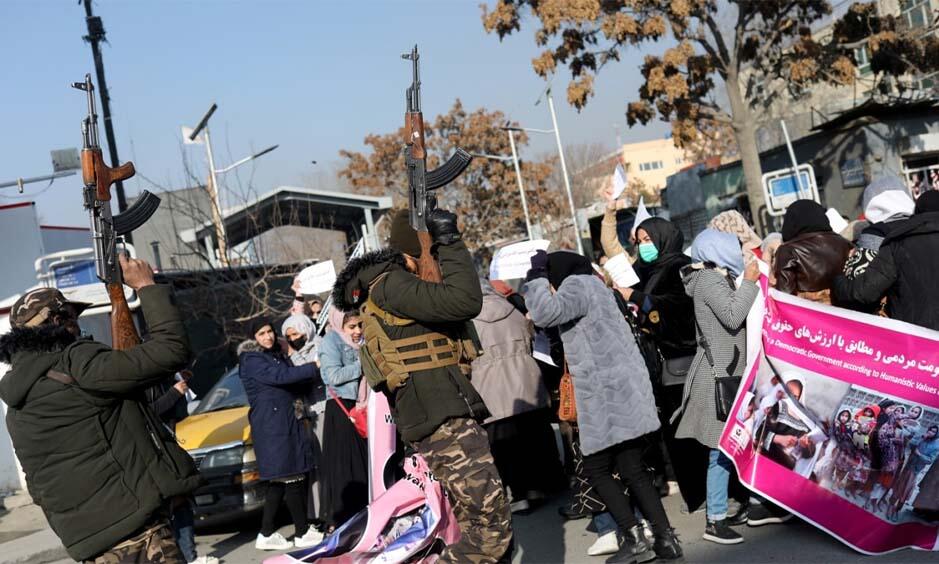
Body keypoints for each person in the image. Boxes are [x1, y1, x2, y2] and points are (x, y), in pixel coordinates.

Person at [331, 208, 512, 563]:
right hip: (441, 416)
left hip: (442, 411)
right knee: (490, 529)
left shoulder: (388, 284)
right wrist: (450, 243)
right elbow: (465, 301)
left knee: (479, 525)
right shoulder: (392, 284)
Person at [0, 255, 200, 563]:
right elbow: (171, 350)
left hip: (91, 545)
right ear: (57, 322)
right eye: (72, 318)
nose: (77, 327)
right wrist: (147, 286)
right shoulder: (77, 363)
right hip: (138, 535)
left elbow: (38, 487)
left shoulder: (16, 404)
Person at [525, 250, 682, 564]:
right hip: (627, 392)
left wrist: (536, 277)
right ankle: (666, 540)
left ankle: (635, 538)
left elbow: (543, 313)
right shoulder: (598, 287)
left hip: (605, 397)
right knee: (633, 470)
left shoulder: (577, 286)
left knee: (597, 468)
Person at [674, 229, 760, 545]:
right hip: (717, 378)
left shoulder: (713, 278)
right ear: (717, 251)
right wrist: (750, 280)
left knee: (733, 446)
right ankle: (716, 520)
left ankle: (752, 504)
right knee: (720, 450)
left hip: (725, 374)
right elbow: (733, 316)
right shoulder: (710, 279)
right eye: (733, 247)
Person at [471, 278, 562, 514]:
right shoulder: (512, 309)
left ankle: (519, 494)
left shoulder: (467, 321)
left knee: (503, 446)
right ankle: (540, 486)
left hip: (490, 389)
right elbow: (532, 338)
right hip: (527, 381)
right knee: (533, 438)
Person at [238, 319, 323, 551]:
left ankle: (266, 533)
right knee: (293, 476)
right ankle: (302, 531)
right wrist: (314, 366)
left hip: (281, 423)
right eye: (261, 333)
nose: (268, 337)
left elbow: (288, 379)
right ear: (252, 338)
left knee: (279, 480)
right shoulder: (252, 359)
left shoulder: (273, 355)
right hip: (274, 427)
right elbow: (281, 377)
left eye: (270, 332)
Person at [833, 189, 939, 330]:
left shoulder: (899, 242)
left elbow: (864, 291)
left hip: (919, 341)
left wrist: (837, 282)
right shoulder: (899, 241)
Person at [147, 372, 216, 564]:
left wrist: (179, 386)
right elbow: (146, 413)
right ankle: (184, 557)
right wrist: (174, 393)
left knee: (182, 502)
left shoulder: (163, 378)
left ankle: (188, 556)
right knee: (171, 505)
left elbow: (180, 415)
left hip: (170, 445)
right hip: (155, 450)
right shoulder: (140, 381)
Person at [317, 307, 369, 531]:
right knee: (348, 467)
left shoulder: (364, 342)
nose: (357, 331)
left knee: (365, 464)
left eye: (360, 325)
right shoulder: (331, 341)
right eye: (352, 327)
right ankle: (346, 521)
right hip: (343, 410)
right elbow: (332, 376)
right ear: (340, 325)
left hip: (364, 406)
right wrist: (365, 365)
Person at [839, 176, 916, 314]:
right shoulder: (921, 225)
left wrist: (837, 282)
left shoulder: (874, 233)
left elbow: (857, 280)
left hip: (895, 315)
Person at [281, 314, 327, 527]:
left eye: (296, 334)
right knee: (314, 466)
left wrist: (296, 362)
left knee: (327, 461)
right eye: (288, 336)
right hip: (306, 415)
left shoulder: (320, 346)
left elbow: (311, 376)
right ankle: (318, 512)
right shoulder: (291, 356)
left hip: (323, 409)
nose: (292, 339)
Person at [773, 200, 853, 304]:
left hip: (809, 317)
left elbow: (785, 297)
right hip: (848, 314)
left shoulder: (788, 251)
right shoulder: (846, 244)